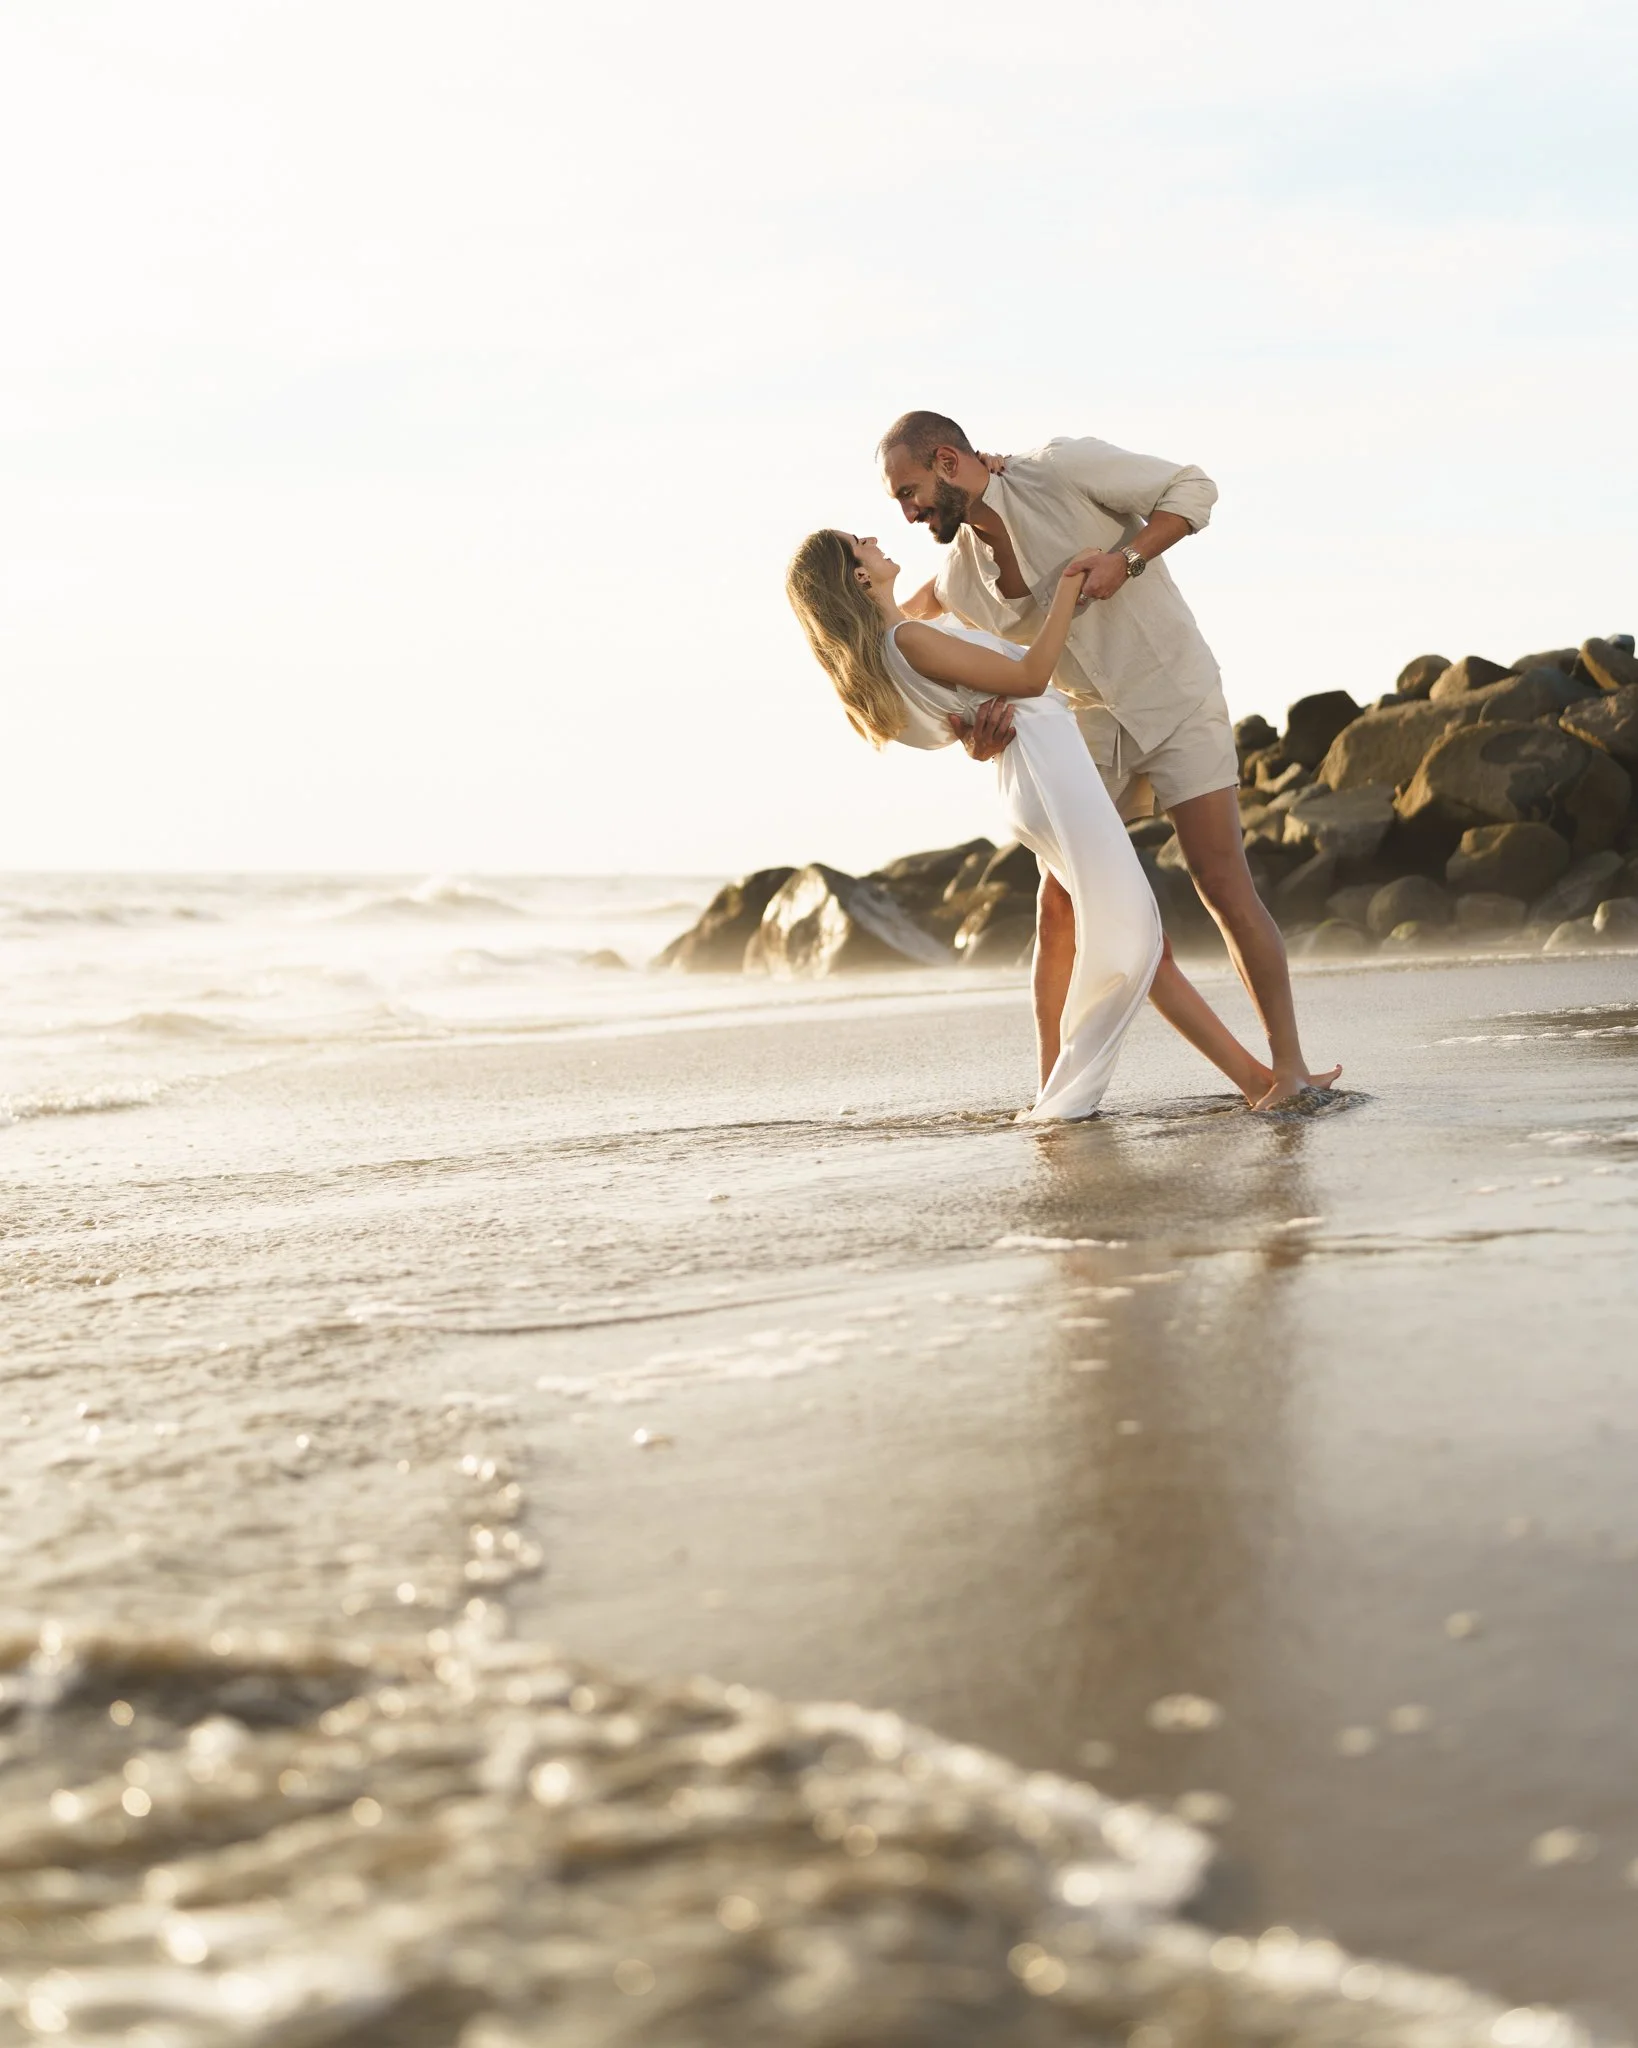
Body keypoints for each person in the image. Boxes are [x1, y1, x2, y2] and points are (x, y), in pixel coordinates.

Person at [877, 409, 1337, 1110]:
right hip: (1086, 726)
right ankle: (1050, 1091)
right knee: (1056, 907)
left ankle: (1291, 1070)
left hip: (1173, 690)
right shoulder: (957, 580)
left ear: (946, 462)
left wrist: (1130, 559)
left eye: (907, 492)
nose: (907, 513)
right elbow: (908, 658)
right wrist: (973, 731)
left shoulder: (1058, 467)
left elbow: (1192, 488)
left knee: (1222, 882)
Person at [785, 527, 1305, 1121]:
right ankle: (1253, 1080)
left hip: (1042, 778)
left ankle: (1081, 1086)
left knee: (1111, 932)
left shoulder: (898, 637)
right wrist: (1066, 590)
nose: (875, 536)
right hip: (1055, 782)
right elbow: (1033, 678)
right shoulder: (906, 639)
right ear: (857, 576)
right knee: (1138, 938)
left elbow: (963, 601)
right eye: (860, 542)